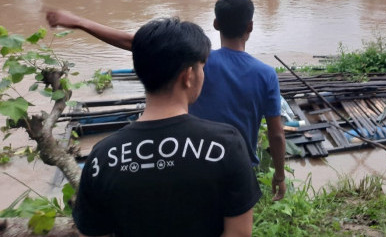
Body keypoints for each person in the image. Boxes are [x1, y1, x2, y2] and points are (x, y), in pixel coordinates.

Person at [46, 0, 287, 201]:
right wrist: (279, 174)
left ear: (215, 24)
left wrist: (79, 22)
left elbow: (133, 42)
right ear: (250, 27)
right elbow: (276, 134)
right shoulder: (265, 75)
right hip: (237, 166)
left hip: (189, 160)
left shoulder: (196, 63)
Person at [73, 17, 261, 237]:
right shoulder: (226, 145)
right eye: (202, 67)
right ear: (188, 76)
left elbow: (96, 233)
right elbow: (238, 234)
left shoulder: (101, 157)